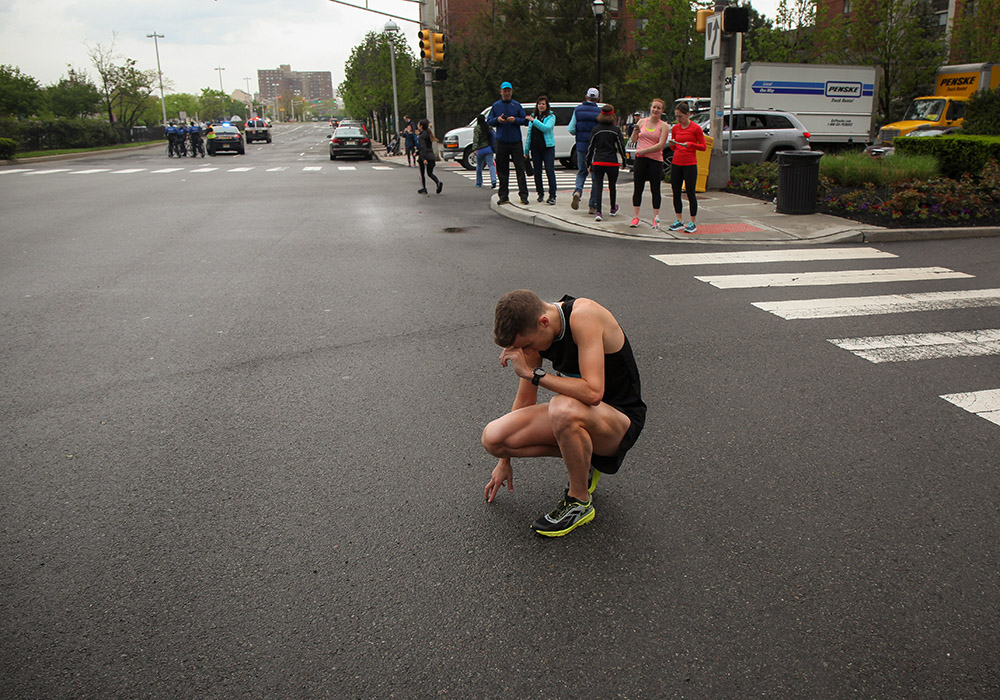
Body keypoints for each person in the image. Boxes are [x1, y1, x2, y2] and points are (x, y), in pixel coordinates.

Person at [482, 290, 646, 537]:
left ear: (544, 322)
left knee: (562, 407)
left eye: (526, 346)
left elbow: (593, 393)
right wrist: (504, 460)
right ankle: (586, 458)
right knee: (494, 438)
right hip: (580, 414)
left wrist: (534, 373)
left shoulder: (584, 316)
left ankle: (579, 501)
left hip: (619, 422)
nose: (526, 353)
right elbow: (526, 398)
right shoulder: (536, 332)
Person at [627, 98, 670, 230]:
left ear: (662, 111)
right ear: (650, 108)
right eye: (654, 107)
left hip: (655, 160)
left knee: (655, 188)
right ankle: (635, 216)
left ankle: (655, 217)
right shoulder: (641, 122)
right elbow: (634, 139)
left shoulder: (664, 126)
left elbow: (661, 145)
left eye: (658, 108)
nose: (655, 110)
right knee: (638, 187)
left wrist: (645, 150)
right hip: (641, 159)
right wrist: (635, 133)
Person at [667, 102, 707, 233]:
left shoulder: (696, 128)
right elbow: (673, 146)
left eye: (681, 116)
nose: (679, 119)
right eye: (677, 117)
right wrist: (673, 143)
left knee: (690, 192)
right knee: (676, 191)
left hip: (690, 163)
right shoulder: (676, 128)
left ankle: (693, 221)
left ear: (688, 114)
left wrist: (690, 144)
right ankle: (679, 219)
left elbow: (703, 146)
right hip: (677, 162)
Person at [487, 81, 529, 206]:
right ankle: (503, 196)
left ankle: (523, 195)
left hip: (515, 142)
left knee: (520, 169)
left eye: (509, 91)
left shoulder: (516, 105)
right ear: (501, 92)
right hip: (501, 142)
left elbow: (525, 120)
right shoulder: (496, 106)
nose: (506, 93)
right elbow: (489, 121)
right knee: (502, 170)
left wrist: (515, 120)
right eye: (504, 91)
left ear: (511, 92)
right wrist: (498, 120)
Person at [586, 103, 627, 222]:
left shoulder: (596, 130)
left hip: (598, 161)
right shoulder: (615, 130)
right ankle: (613, 207)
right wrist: (624, 160)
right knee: (612, 185)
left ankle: (598, 211)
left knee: (599, 185)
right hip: (612, 161)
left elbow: (590, 148)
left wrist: (589, 163)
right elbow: (621, 147)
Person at [568, 87, 602, 213]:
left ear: (586, 97)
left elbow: (571, 129)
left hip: (581, 147)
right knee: (595, 176)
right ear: (597, 99)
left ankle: (578, 191)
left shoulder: (577, 110)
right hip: (595, 148)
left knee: (582, 171)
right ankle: (592, 204)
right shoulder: (599, 112)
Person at [524, 95, 557, 205]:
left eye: (543, 104)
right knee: (537, 171)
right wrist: (526, 150)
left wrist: (534, 121)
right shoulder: (534, 117)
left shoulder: (551, 117)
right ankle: (540, 193)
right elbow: (529, 134)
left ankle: (552, 195)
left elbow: (546, 128)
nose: (541, 106)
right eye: (539, 104)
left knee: (549, 170)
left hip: (547, 147)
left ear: (547, 105)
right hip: (535, 148)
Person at [416, 119, 443, 195]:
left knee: (422, 173)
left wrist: (423, 158)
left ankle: (423, 188)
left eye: (418, 125)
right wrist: (417, 152)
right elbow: (427, 147)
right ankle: (438, 182)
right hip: (431, 156)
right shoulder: (429, 134)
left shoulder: (421, 136)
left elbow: (423, 147)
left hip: (424, 156)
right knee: (430, 173)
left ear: (421, 126)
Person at [472, 113, 497, 189]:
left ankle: (479, 182)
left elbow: (476, 139)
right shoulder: (488, 127)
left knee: (479, 166)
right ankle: (493, 180)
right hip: (489, 149)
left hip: (480, 150)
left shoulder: (477, 128)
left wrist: (475, 149)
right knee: (491, 165)